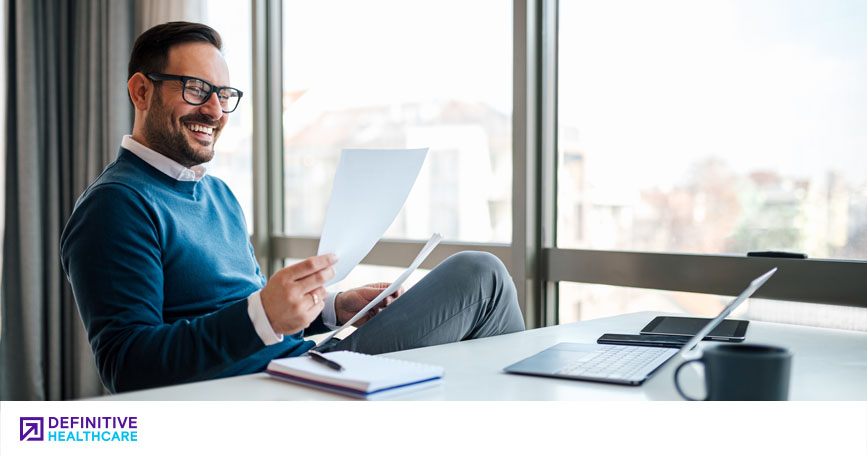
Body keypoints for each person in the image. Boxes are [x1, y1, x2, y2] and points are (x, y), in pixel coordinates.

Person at [60, 21, 524, 394]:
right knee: (479, 276)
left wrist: (332, 309)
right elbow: (127, 368)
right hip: (257, 394)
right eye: (196, 89)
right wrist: (261, 316)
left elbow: (250, 308)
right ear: (141, 92)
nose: (216, 111)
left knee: (482, 277)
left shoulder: (217, 194)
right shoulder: (114, 207)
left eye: (223, 95)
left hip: (300, 366)